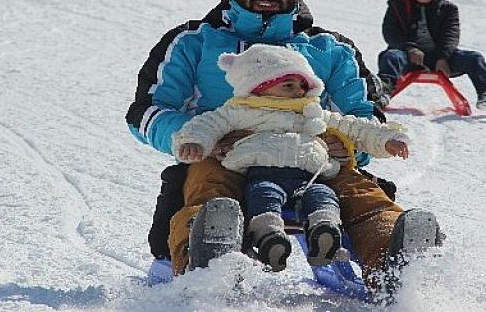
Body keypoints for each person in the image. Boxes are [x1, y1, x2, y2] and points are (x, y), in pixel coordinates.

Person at [126, 0, 442, 299]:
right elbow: (146, 111)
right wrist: (200, 139)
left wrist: (346, 145)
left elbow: (364, 113)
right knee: (210, 192)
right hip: (223, 157)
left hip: (311, 157)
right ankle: (208, 261)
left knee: (361, 193)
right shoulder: (194, 42)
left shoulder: (330, 49)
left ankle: (397, 266)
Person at [173, 44, 409, 272]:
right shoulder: (239, 110)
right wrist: (195, 142)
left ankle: (384, 250)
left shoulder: (313, 113)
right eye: (288, 85)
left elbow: (355, 126)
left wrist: (385, 139)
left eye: (302, 86)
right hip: (257, 175)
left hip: (312, 178)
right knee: (244, 196)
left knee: (329, 197)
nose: (298, 91)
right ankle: (220, 255)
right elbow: (207, 123)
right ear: (259, 86)